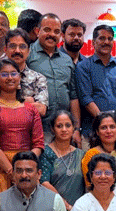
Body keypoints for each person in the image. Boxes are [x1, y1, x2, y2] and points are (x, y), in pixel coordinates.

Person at [0, 59, 44, 194]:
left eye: (13, 74)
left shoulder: (30, 109)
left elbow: (38, 142)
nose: (10, 78)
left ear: (19, 77)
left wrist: (26, 167)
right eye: (4, 74)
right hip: (0, 168)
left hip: (27, 168)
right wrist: (12, 172)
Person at [27, 13, 81, 141]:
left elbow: (73, 96)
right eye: (47, 30)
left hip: (63, 129)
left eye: (56, 31)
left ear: (61, 35)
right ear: (37, 31)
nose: (52, 34)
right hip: (36, 128)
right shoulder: (28, 54)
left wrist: (76, 129)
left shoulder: (67, 60)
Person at [75, 25, 116, 140]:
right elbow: (86, 98)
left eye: (110, 39)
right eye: (102, 38)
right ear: (93, 42)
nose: (106, 42)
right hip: (92, 133)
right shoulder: (83, 66)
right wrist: (106, 124)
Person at [0, 28, 49, 116]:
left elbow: (41, 110)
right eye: (13, 46)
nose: (17, 51)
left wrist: (1, 102)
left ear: (28, 51)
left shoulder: (38, 79)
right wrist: (28, 100)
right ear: (5, 49)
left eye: (22, 47)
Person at [39, 110, 85, 210]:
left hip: (79, 210)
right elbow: (44, 182)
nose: (64, 129)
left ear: (73, 128)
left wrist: (77, 210)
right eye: (59, 126)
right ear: (52, 129)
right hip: (53, 209)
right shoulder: (46, 153)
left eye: (68, 125)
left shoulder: (81, 155)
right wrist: (66, 206)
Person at [80, 112, 116, 197]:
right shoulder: (91, 155)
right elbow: (90, 186)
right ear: (97, 132)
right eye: (103, 128)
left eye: (112, 127)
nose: (108, 131)